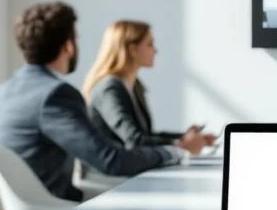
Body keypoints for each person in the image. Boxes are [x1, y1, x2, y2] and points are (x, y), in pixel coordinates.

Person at [0, 2, 185, 202]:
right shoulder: (55, 95)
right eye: (77, 38)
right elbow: (110, 160)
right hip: (53, 207)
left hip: (23, 205)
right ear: (68, 47)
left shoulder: (4, 90)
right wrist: (172, 152)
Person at [82, 20, 215, 155]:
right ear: (132, 49)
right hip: (110, 174)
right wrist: (181, 144)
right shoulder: (109, 89)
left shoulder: (134, 86)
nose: (155, 50)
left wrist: (185, 137)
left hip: (132, 169)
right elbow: (134, 140)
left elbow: (145, 135)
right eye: (150, 44)